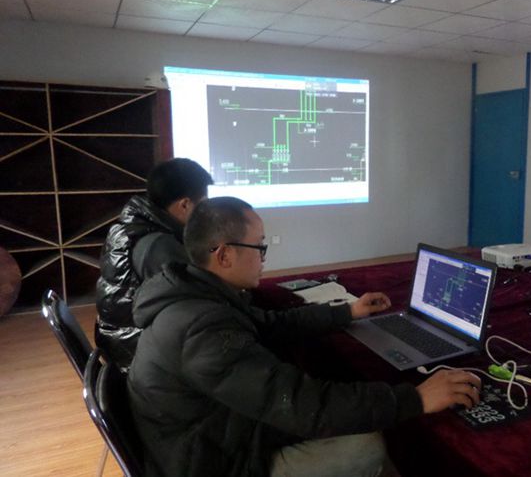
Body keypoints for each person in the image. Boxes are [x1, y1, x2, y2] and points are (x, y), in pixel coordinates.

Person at [127, 197, 482, 477]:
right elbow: (303, 406)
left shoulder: (199, 294)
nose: (264, 258)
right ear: (224, 255)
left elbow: (271, 324)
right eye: (259, 247)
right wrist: (416, 399)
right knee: (366, 448)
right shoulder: (203, 329)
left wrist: (346, 312)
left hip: (209, 433)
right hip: (209, 463)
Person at [95, 158, 213, 370]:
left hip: (120, 340)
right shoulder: (159, 247)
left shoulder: (132, 226)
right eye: (203, 204)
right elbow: (195, 306)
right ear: (184, 205)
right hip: (138, 355)